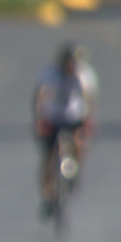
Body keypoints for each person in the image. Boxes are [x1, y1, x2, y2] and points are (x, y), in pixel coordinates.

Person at [33, 42, 98, 217]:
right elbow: (41, 95)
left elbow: (88, 97)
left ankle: (75, 168)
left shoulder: (84, 74)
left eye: (74, 63)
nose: (71, 67)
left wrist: (89, 119)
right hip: (53, 117)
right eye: (68, 63)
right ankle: (48, 196)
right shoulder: (50, 73)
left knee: (80, 141)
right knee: (48, 156)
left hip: (75, 115)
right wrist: (40, 119)